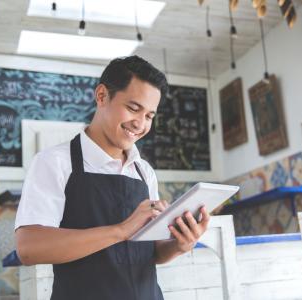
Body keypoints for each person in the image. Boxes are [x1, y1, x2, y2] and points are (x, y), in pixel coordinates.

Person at [15, 56, 210, 300]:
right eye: (133, 108)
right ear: (101, 96)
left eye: (149, 116)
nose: (140, 124)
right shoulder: (54, 162)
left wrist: (181, 244)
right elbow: (29, 248)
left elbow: (151, 252)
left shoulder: (144, 171)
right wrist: (120, 231)